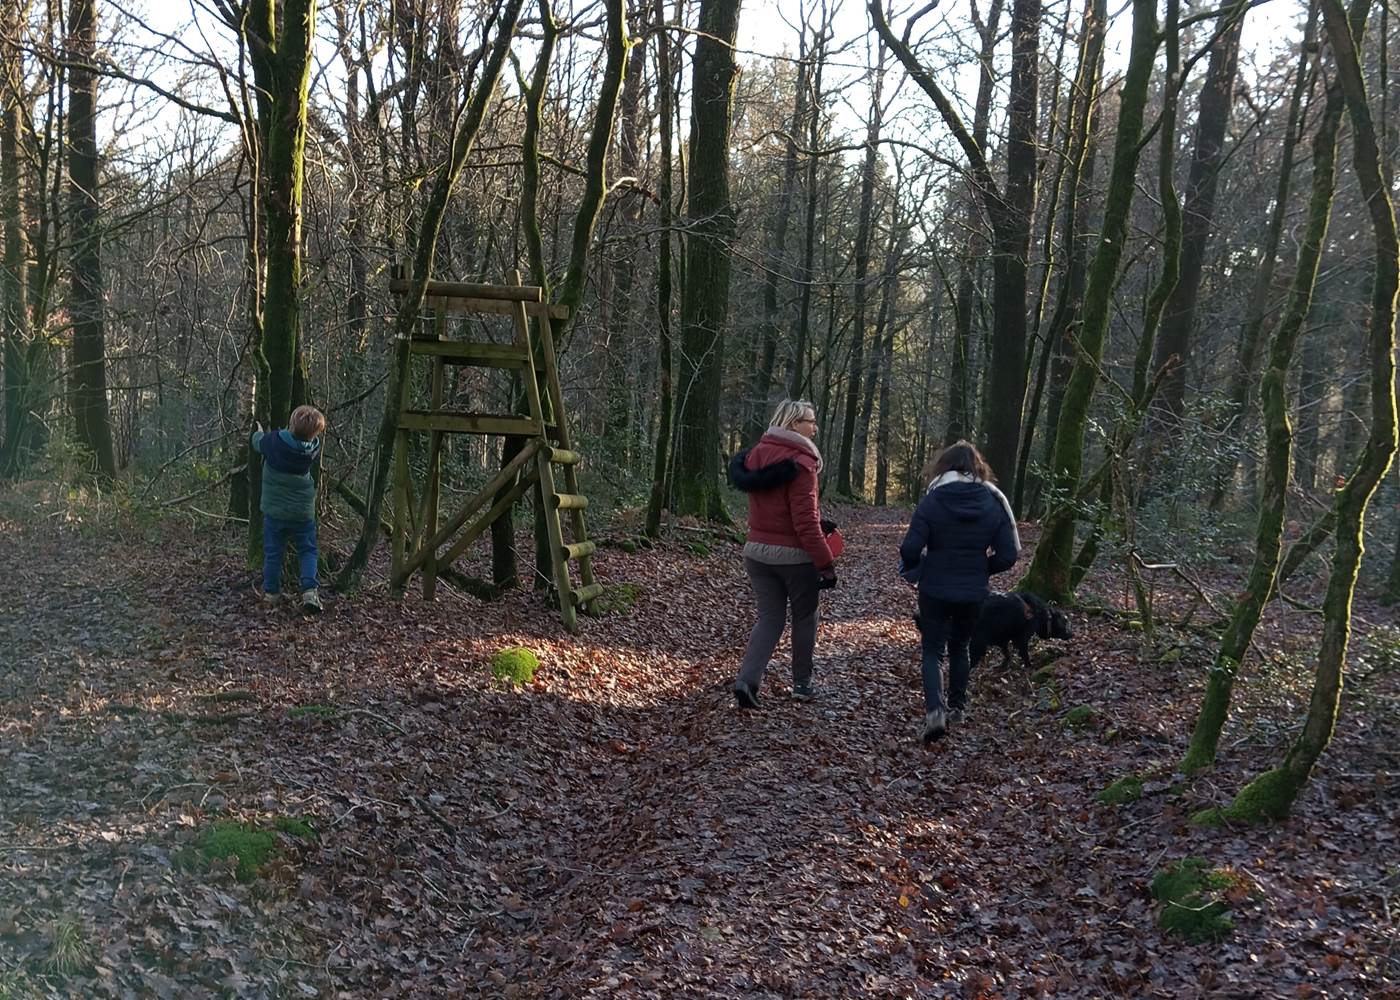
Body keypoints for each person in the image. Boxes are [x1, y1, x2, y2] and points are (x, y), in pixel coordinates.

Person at [898, 440, 1020, 742]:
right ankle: (957, 708)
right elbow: (1009, 555)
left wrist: (919, 567)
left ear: (944, 467)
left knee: (932, 650)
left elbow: (910, 548)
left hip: (935, 588)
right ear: (978, 468)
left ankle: (934, 712)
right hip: (973, 592)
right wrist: (980, 569)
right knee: (960, 646)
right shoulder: (994, 502)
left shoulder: (933, 500)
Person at [728, 399, 837, 708]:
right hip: (793, 557)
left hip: (756, 552)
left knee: (769, 618)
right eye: (810, 421)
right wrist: (826, 563)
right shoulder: (802, 462)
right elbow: (803, 524)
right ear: (793, 424)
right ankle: (802, 684)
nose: (815, 427)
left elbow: (780, 509)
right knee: (805, 617)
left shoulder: (756, 454)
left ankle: (747, 681)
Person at [251, 405, 326, 613]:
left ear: (292, 423)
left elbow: (258, 443)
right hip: (302, 512)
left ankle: (271, 593)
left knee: (273, 553)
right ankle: (310, 591)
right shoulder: (313, 448)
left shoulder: (274, 442)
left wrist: (258, 431)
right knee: (308, 550)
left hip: (275, 512)